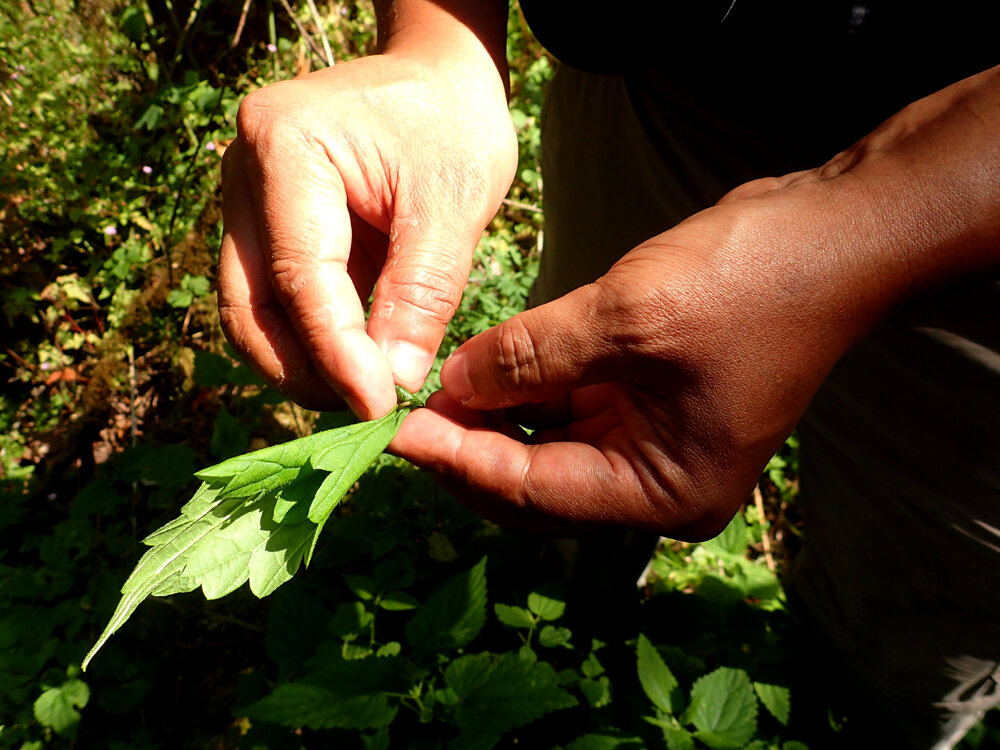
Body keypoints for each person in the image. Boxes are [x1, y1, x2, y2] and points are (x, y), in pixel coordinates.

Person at [217, 1, 1000, 746]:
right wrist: (439, 43)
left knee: (919, 606)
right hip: (656, 84)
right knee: (575, 429)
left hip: (974, 215)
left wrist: (864, 228)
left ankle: (849, 712)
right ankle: (560, 598)